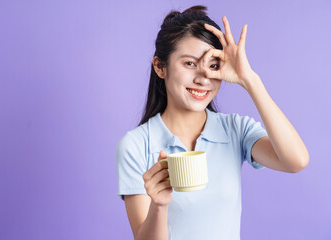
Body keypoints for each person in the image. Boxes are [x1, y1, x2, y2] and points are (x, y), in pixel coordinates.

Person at [115, 5, 309, 240]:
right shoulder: (136, 145)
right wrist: (159, 205)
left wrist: (249, 79)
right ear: (160, 66)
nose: (203, 77)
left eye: (213, 65)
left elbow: (296, 161)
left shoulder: (236, 130)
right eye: (189, 63)